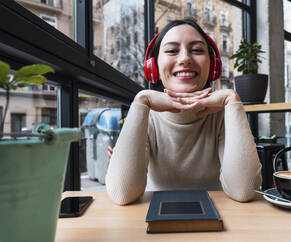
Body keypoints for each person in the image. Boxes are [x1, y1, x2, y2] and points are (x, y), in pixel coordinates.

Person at [106, 18, 262, 205]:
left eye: (196, 50)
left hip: (220, 222)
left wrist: (232, 100)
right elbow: (122, 194)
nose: (185, 59)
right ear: (153, 67)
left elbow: (244, 190)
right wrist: (141, 101)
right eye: (172, 51)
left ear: (212, 66)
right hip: (152, 223)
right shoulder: (145, 115)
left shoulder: (223, 114)